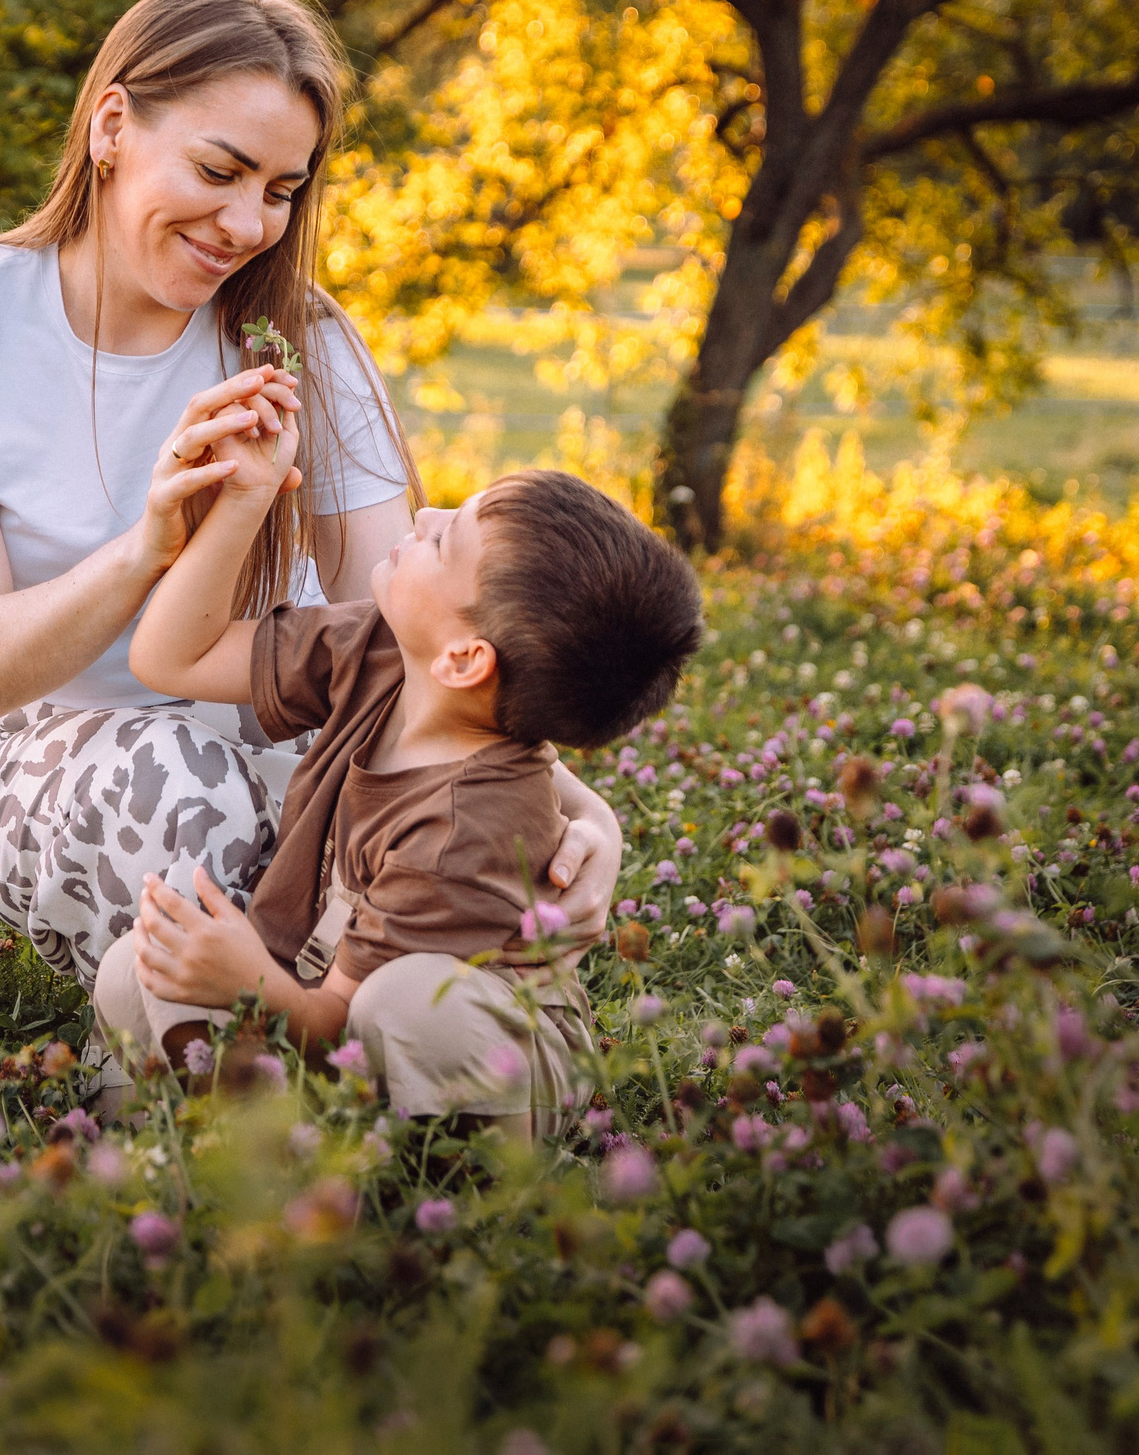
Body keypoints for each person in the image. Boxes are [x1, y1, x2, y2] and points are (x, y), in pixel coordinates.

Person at [0, 0, 626, 992]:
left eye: (279, 189)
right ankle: (230, 1071)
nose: (246, 223)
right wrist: (147, 546)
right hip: (59, 761)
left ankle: (285, 1038)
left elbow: (398, 632)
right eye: (218, 169)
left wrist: (580, 809)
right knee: (186, 791)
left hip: (296, 752)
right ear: (113, 124)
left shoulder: (304, 339)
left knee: (451, 864)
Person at [101, 433, 702, 1131]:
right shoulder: (379, 650)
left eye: (446, 540)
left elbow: (341, 1023)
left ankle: (428, 1178)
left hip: (475, 1056)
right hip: (326, 1000)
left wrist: (250, 983)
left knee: (404, 1000)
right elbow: (170, 656)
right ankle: (189, 1157)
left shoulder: (468, 826)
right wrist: (243, 496)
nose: (424, 515)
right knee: (139, 961)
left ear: (464, 658)